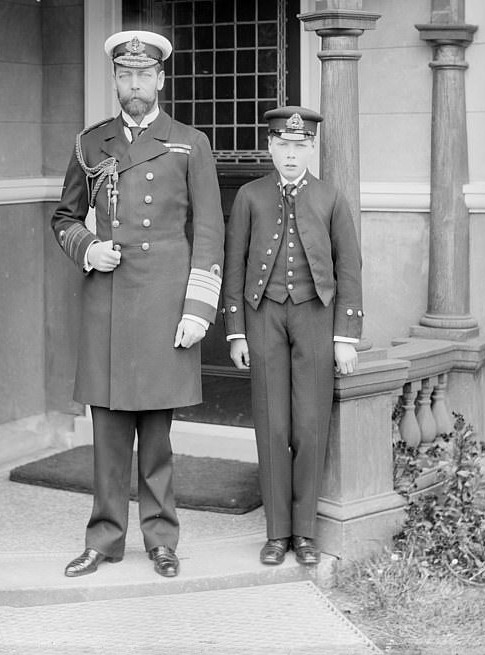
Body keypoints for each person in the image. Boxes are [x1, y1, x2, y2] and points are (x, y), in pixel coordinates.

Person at [51, 30, 224, 578]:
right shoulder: (91, 143)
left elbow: (212, 230)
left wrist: (198, 309)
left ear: (160, 80)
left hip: (165, 301)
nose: (134, 85)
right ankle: (103, 539)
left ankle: (161, 539)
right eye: (125, 76)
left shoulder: (189, 143)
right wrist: (88, 249)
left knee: (156, 432)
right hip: (107, 298)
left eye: (143, 75)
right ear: (117, 81)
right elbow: (63, 217)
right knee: (106, 431)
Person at [222, 106, 362, 566]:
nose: (290, 153)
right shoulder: (249, 196)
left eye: (299, 145)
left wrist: (345, 336)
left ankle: (305, 533)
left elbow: (349, 268)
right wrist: (237, 331)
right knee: (272, 425)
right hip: (263, 317)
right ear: (269, 146)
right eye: (282, 144)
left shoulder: (330, 197)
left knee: (308, 426)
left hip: (315, 318)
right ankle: (276, 533)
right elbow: (235, 265)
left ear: (311, 148)